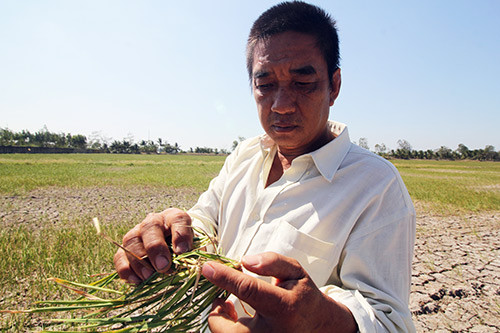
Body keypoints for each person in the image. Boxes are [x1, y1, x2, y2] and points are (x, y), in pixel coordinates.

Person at [113, 2, 416, 332]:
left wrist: (323, 320)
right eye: (266, 84)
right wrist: (173, 232)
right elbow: (205, 221)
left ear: (335, 86)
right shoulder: (246, 155)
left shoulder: (376, 187)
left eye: (303, 82)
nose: (282, 105)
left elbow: (390, 322)